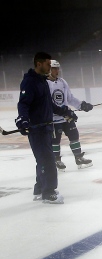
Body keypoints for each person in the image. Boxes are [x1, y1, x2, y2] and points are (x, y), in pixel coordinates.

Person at [15, 52, 77, 204]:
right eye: (48, 64)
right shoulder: (30, 82)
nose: (51, 67)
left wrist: (65, 111)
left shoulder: (42, 81)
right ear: (39, 64)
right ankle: (48, 192)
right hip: (37, 129)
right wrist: (22, 119)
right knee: (47, 160)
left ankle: (39, 188)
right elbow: (23, 103)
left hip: (46, 128)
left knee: (42, 159)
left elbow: (50, 105)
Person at [47, 59, 94, 171]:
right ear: (49, 69)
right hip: (53, 119)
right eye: (54, 68)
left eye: (58, 68)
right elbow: (48, 103)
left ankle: (78, 157)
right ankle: (56, 160)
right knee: (55, 140)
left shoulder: (62, 82)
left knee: (74, 135)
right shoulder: (45, 84)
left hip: (66, 117)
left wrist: (81, 105)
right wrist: (63, 111)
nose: (57, 71)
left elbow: (70, 98)